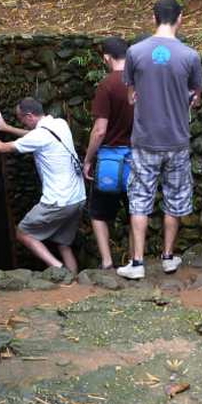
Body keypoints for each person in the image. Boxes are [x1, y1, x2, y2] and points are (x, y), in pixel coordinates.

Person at [117, 0, 202, 280]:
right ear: (180, 18)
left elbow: (130, 95)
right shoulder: (190, 56)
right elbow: (195, 97)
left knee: (140, 198)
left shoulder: (135, 52)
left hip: (144, 139)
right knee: (174, 199)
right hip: (177, 139)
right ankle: (168, 257)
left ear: (153, 18)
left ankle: (138, 262)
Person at [0, 98, 85, 273]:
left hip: (58, 201)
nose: (21, 122)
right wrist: (7, 128)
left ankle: (60, 270)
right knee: (63, 244)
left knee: (23, 233)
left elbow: (0, 147)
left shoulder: (39, 136)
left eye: (21, 119)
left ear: (30, 116)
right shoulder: (60, 124)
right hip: (77, 198)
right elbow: (33, 137)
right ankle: (76, 282)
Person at [82, 37, 135, 269]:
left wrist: (88, 159)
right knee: (136, 211)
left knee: (99, 213)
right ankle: (136, 259)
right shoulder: (139, 83)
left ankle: (106, 262)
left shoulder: (107, 85)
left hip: (111, 160)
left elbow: (100, 129)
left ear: (106, 57)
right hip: (138, 157)